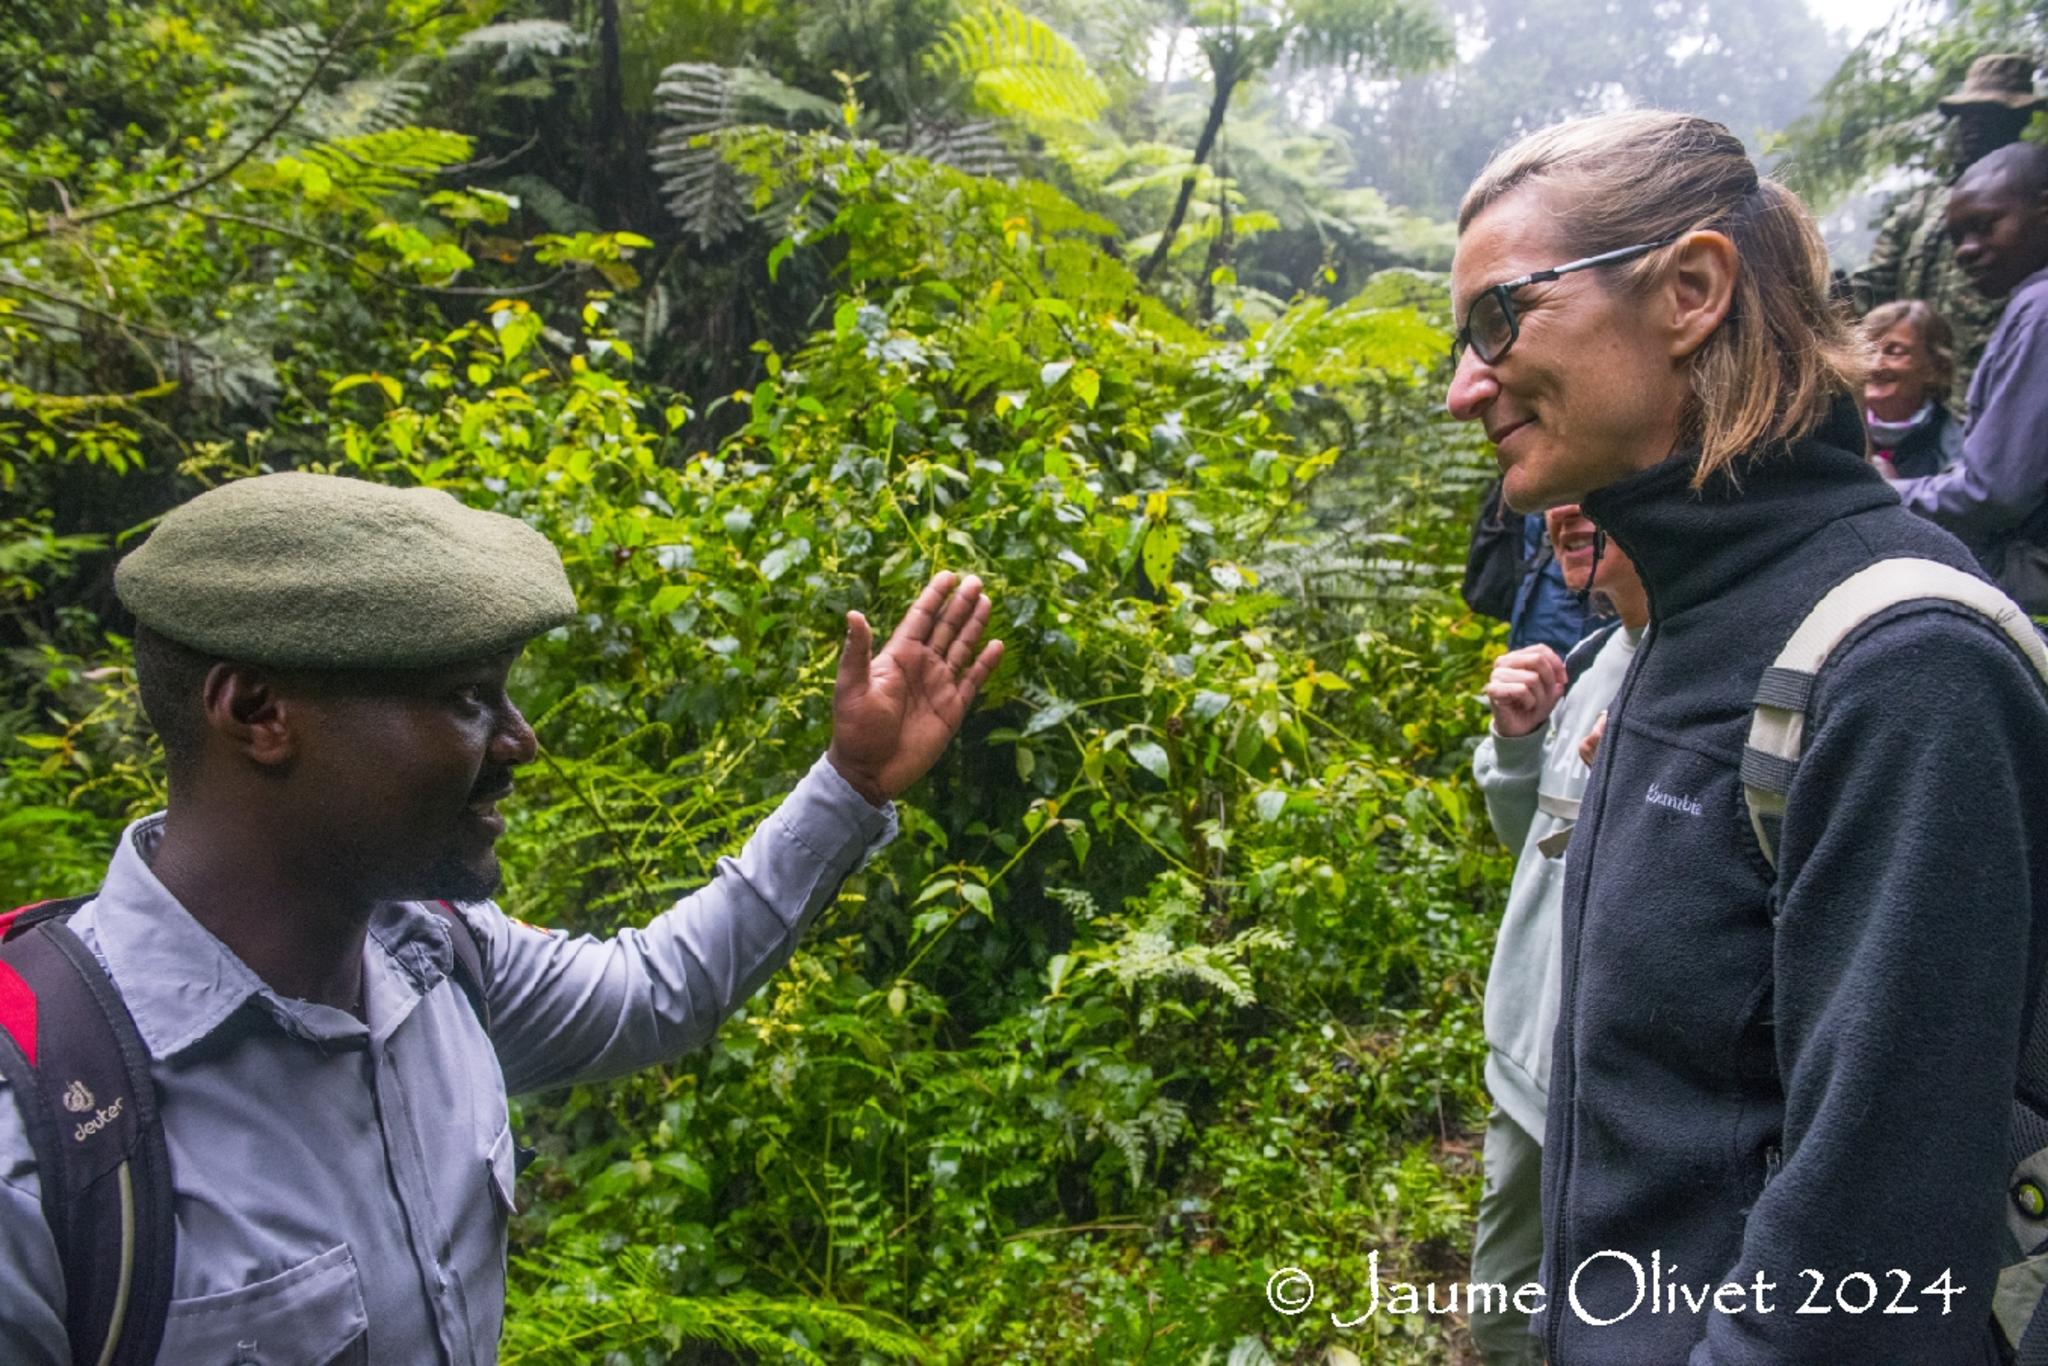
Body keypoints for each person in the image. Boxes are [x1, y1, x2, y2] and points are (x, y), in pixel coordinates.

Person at [0, 473, 1003, 1362]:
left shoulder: (431, 956)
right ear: (258, 710)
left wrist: (850, 784)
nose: (519, 742)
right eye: (467, 697)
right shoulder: (46, 1127)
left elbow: (657, 990)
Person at [1447, 109, 2048, 1363]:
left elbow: (1868, 1261)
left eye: (1498, 319)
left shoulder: (1899, 666)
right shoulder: (1671, 624)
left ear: (1690, 290)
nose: (1465, 388)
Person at [1469, 505, 1646, 1366]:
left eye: (1594, 486)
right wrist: (1521, 739)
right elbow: (1532, 848)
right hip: (1530, 1067)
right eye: (1556, 498)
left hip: (1629, 1090)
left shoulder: (1704, 668)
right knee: (1502, 1320)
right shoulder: (1594, 659)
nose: (1563, 515)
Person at [1893, 142, 2048, 613]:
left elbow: (1994, 493)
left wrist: (1879, 492)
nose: (1966, 251)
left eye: (1983, 227)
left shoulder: (2039, 311)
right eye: (1957, 236)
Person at [1851, 53, 2045, 408]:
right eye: (1965, 116)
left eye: (1987, 115)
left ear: (2018, 118)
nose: (1972, 126)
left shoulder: (2033, 217)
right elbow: (1871, 288)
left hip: (2000, 400)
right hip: (1919, 408)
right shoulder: (1922, 208)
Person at [1861, 300, 1963, 478]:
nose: (1875, 365)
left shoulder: (1955, 448)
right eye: (1868, 350)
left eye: (1896, 351)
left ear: (1935, 367)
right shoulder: (1833, 430)